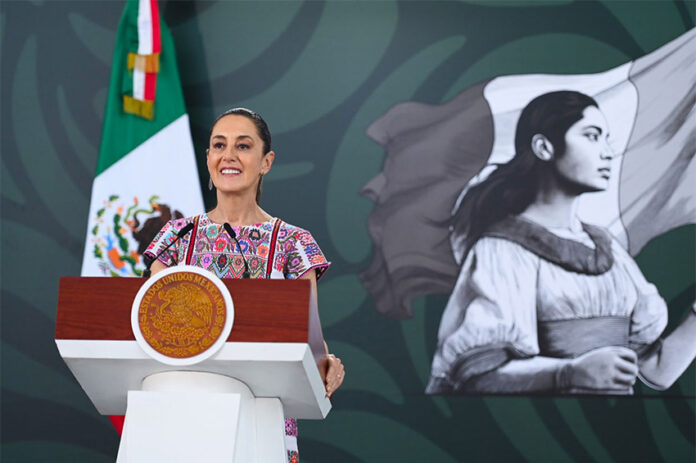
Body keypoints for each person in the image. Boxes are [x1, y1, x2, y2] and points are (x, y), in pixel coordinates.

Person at [426, 91, 696, 394]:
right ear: (544, 147)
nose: (607, 152)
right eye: (592, 136)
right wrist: (569, 373)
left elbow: (658, 371)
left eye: (606, 138)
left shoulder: (607, 249)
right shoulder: (502, 250)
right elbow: (477, 376)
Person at [144, 107, 345, 461]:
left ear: (266, 161)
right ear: (208, 158)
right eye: (219, 145)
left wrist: (326, 362)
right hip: (180, 418)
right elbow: (151, 330)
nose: (229, 156)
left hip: (263, 421)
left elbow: (311, 337)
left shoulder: (293, 243)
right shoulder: (175, 238)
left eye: (243, 146)